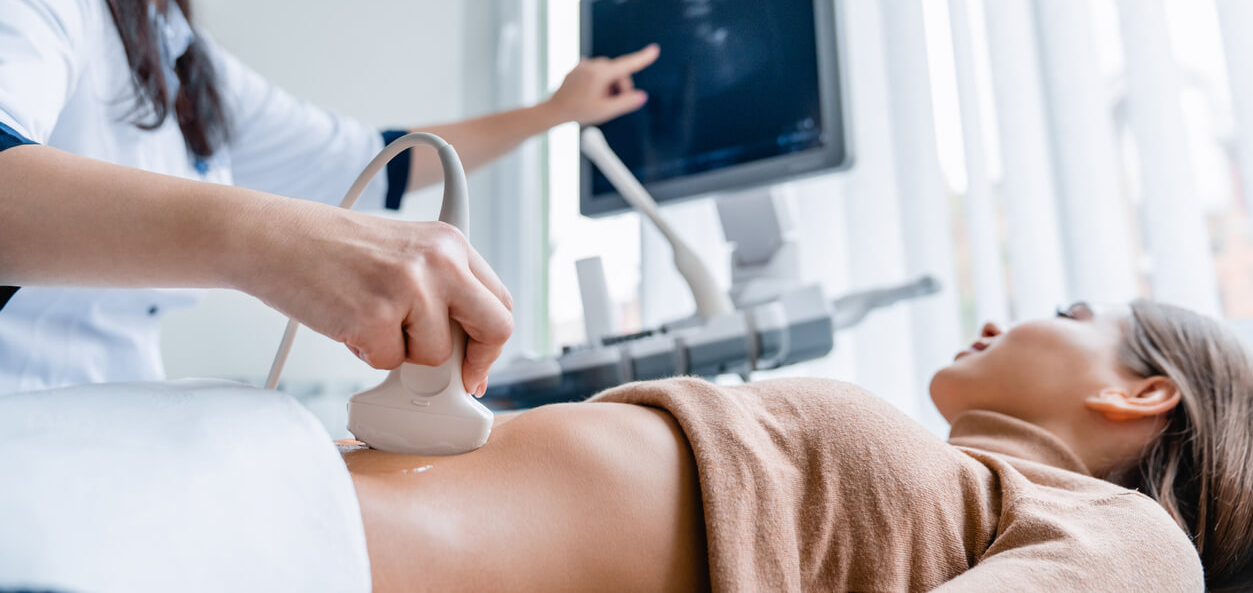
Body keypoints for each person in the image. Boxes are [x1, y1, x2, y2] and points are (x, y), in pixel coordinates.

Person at [0, 0, 658, 394]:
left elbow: (375, 163)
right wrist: (271, 245)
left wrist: (555, 112)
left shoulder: (180, 55)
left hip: (106, 429)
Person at [341, 299, 1253, 591]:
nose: (996, 319)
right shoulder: (956, 490)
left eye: (1069, 313)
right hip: (329, 506)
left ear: (1140, 392)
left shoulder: (1136, 540)